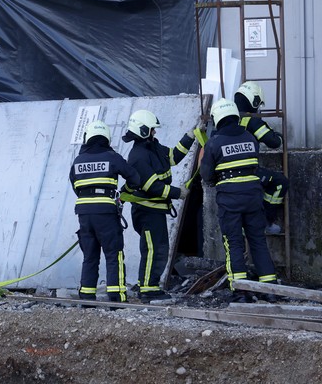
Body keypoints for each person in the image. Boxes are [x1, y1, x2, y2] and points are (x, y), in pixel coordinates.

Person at [199, 98, 278, 302]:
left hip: (230, 200)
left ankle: (241, 291)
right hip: (253, 197)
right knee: (258, 240)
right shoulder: (250, 138)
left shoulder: (214, 143)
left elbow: (206, 175)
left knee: (234, 243)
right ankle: (269, 288)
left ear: (218, 118)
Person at [120, 109, 194, 301]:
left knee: (158, 249)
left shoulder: (153, 148)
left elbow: (173, 156)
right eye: (152, 129)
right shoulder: (138, 156)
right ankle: (147, 289)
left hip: (155, 211)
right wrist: (178, 193)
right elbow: (152, 187)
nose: (155, 132)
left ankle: (149, 285)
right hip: (146, 211)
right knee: (153, 250)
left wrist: (190, 137)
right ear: (143, 130)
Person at [70, 119, 142, 303]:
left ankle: (87, 297)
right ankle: (117, 297)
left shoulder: (78, 161)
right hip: (106, 213)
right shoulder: (112, 157)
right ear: (106, 138)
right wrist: (123, 193)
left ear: (87, 137)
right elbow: (135, 179)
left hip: (84, 214)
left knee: (90, 255)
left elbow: (76, 186)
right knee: (113, 254)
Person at [234, 81, 289, 234]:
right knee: (280, 182)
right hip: (248, 173)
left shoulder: (226, 118)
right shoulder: (251, 120)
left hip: (226, 176)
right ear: (253, 101)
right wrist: (278, 135)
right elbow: (274, 142)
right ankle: (266, 222)